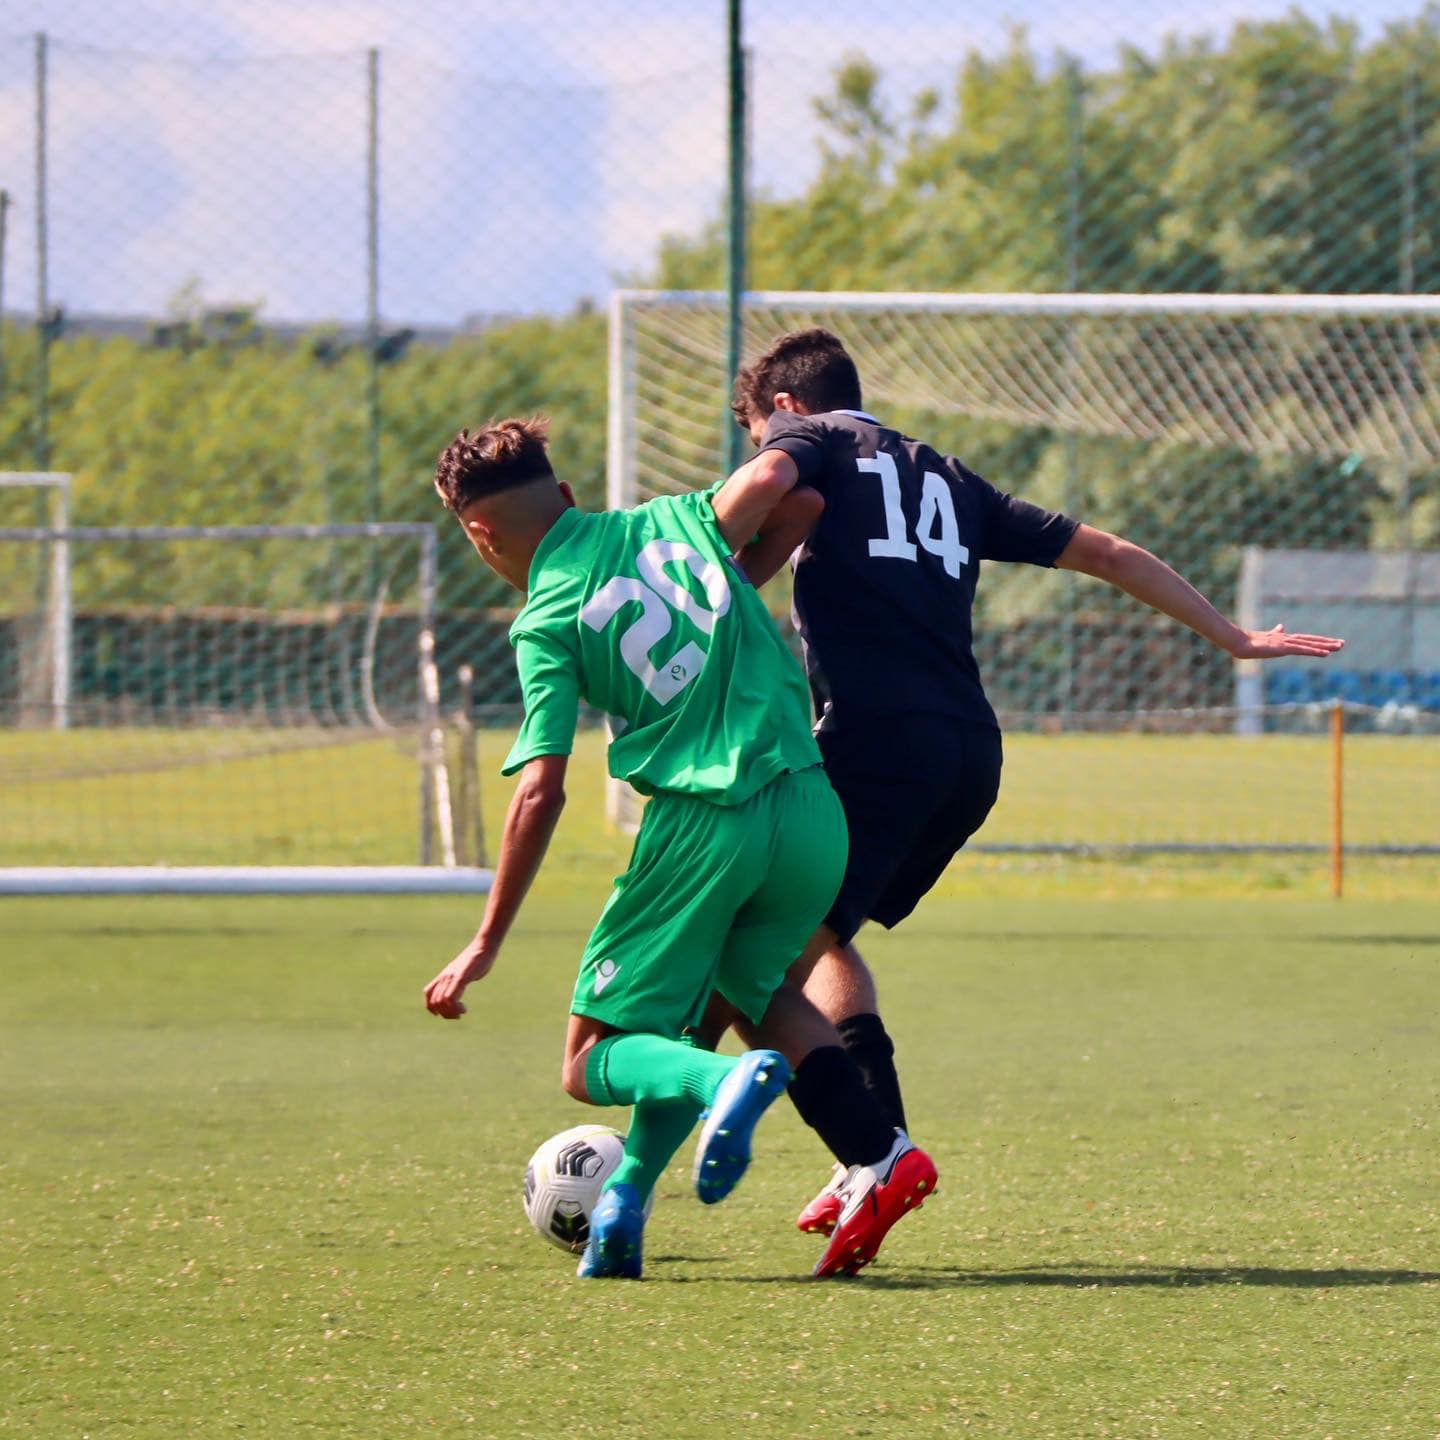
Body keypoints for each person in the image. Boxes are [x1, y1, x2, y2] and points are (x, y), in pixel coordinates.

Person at [720, 327, 1346, 1236]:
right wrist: (1234, 638)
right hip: (971, 751)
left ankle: (864, 1152)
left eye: (757, 433)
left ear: (782, 407)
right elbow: (1111, 552)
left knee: (754, 951)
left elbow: (772, 485)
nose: (765, 452)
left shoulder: (807, 443)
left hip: (875, 740)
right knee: (821, 941)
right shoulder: (949, 475)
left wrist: (696, 565)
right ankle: (872, 1156)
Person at [422, 415, 936, 1280]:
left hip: (707, 819)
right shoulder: (675, 519)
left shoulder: (544, 617)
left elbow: (540, 789)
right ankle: (636, 1206)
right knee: (754, 987)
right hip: (812, 809)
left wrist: (485, 940)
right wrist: (724, 588)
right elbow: (798, 497)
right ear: (571, 496)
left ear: (479, 533)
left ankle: (722, 1085)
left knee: (591, 1059)